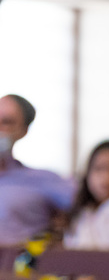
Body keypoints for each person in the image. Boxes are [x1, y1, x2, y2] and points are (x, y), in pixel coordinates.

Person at [0, 94, 75, 245]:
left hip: (20, 265)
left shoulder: (44, 180)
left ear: (23, 130)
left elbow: (92, 202)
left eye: (6, 122)